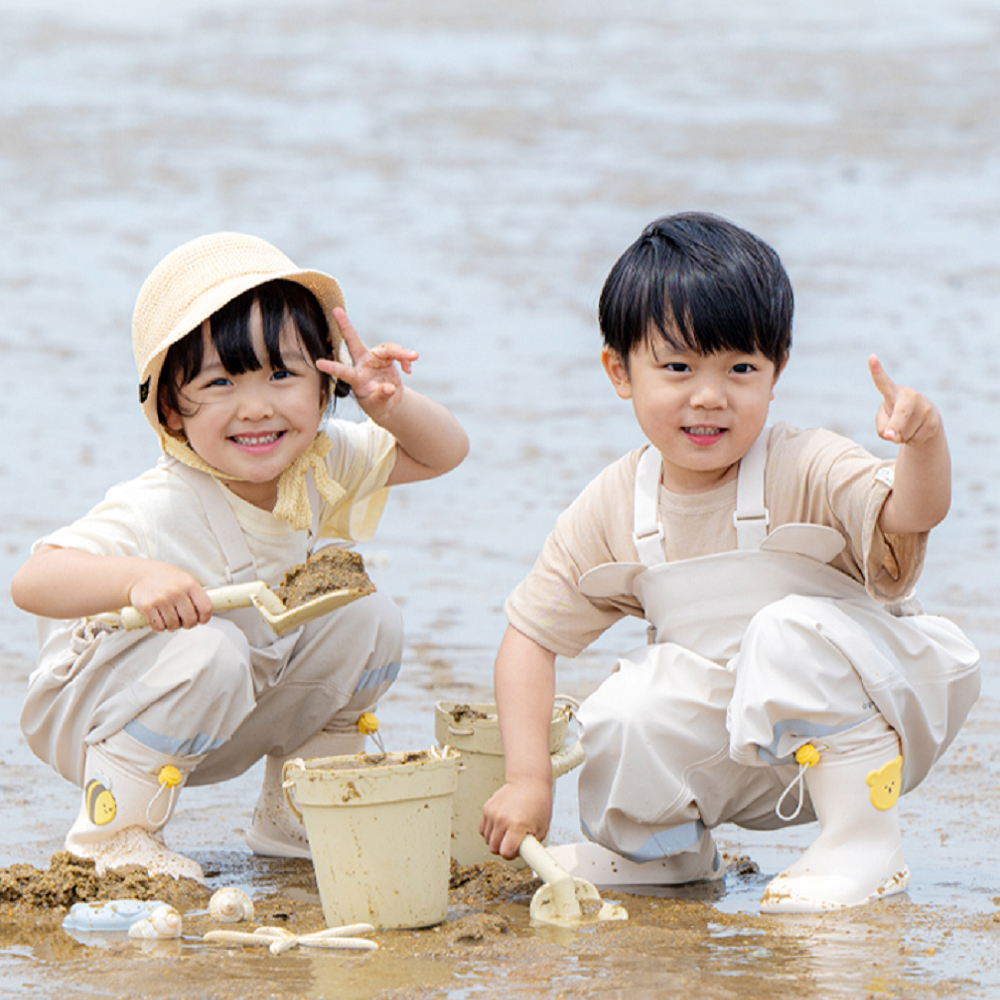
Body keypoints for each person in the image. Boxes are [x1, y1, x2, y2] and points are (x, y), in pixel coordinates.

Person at [479, 212, 979, 913]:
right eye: (678, 367)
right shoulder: (616, 505)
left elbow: (910, 513)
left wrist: (922, 445)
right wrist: (530, 778)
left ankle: (864, 839)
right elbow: (532, 636)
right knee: (618, 714)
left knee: (785, 629)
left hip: (872, 721)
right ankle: (661, 851)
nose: (709, 395)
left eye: (740, 368)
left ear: (777, 372)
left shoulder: (805, 463)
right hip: (740, 747)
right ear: (619, 370)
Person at [11, 232, 469, 881]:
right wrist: (139, 578)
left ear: (324, 384)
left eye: (282, 374)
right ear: (171, 407)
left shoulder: (322, 457)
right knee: (210, 648)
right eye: (220, 381)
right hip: (99, 713)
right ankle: (113, 836)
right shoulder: (163, 503)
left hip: (235, 697)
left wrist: (390, 406)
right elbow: (34, 580)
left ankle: (298, 813)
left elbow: (442, 453)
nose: (256, 406)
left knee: (369, 618)